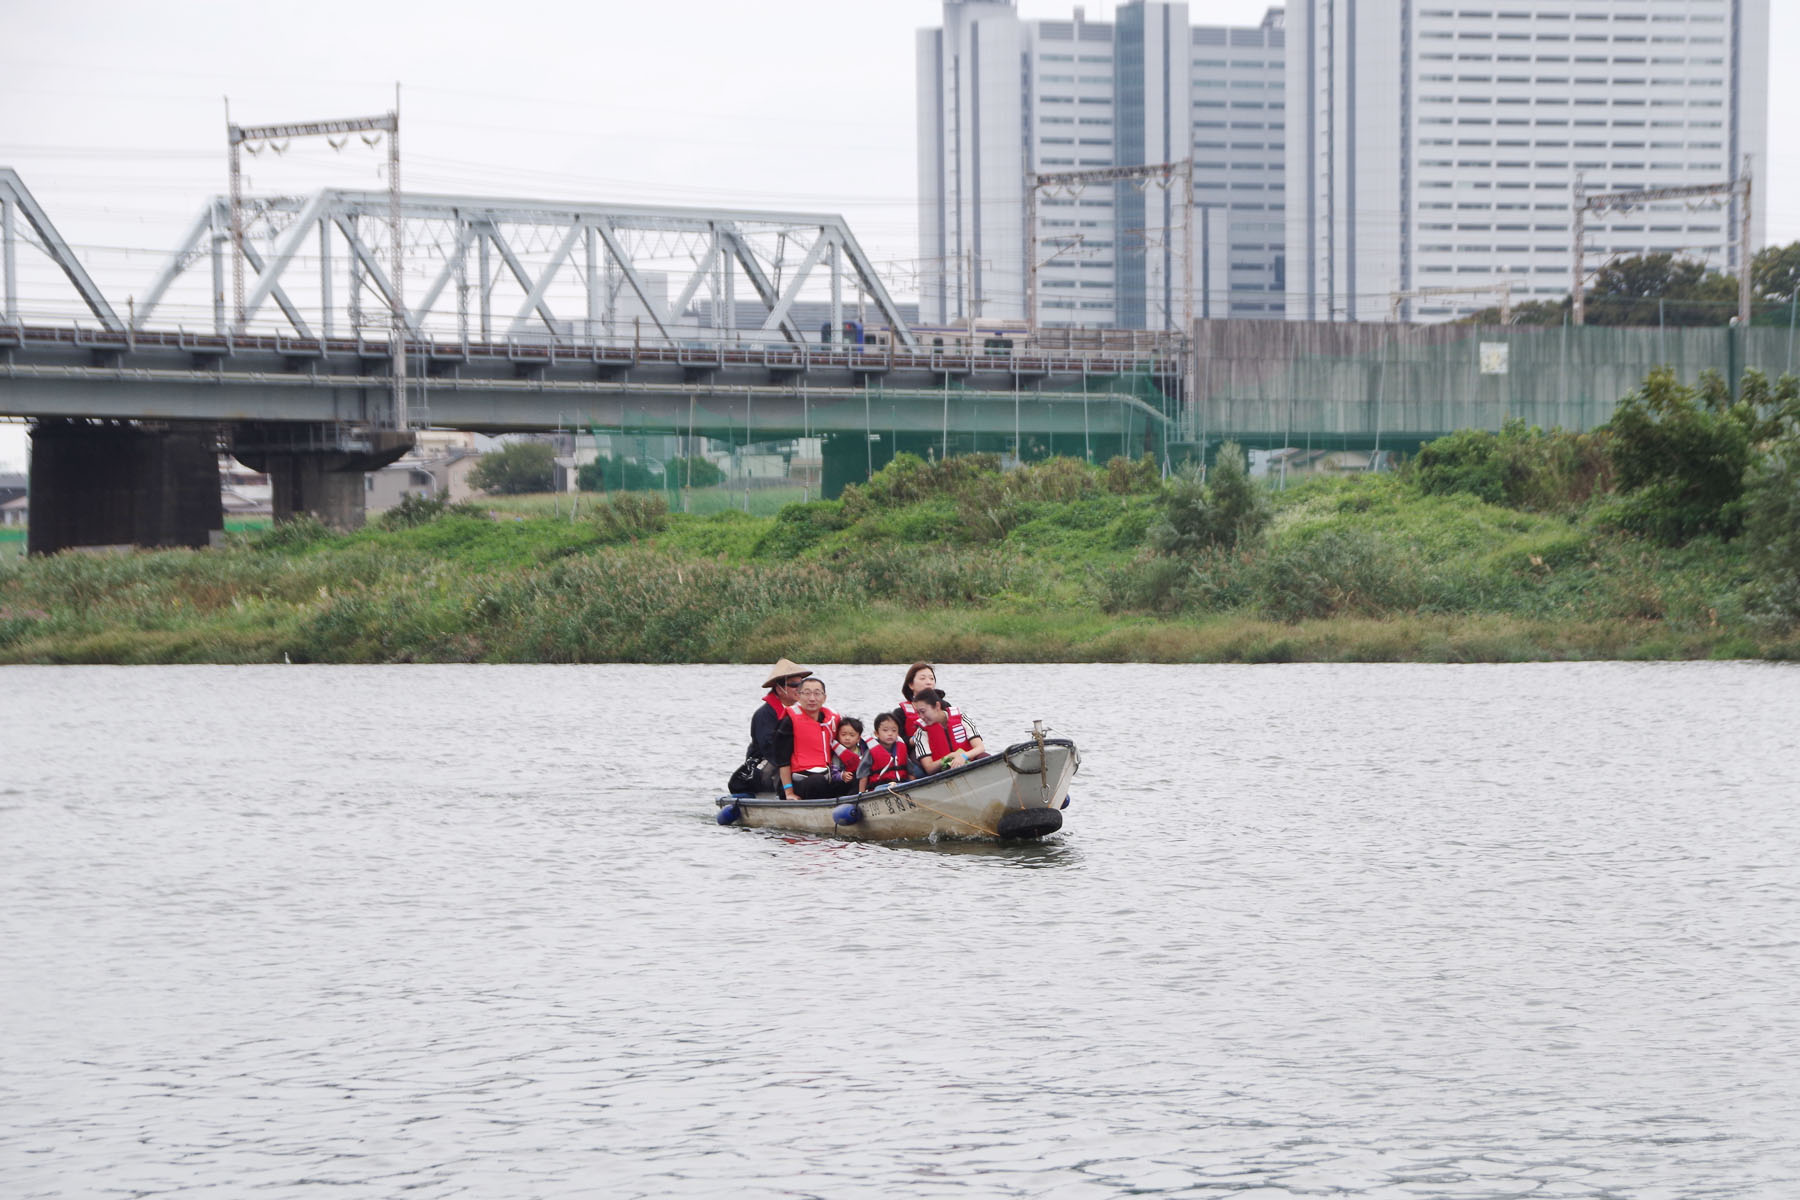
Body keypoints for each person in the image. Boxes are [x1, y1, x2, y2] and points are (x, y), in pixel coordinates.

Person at [736, 657, 810, 794]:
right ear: (779, 688)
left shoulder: (803, 711)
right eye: (794, 685)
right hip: (766, 764)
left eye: (801, 684)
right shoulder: (764, 714)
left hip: (794, 760)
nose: (800, 689)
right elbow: (770, 750)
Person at [773, 677, 855, 800]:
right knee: (817, 782)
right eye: (806, 693)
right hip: (798, 783)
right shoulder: (789, 722)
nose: (812, 698)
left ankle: (852, 807)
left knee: (856, 777)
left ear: (824, 697)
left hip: (828, 777)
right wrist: (789, 793)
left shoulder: (833, 720)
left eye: (817, 693)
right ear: (798, 696)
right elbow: (783, 761)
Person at [909, 687, 987, 774]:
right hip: (943, 771)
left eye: (923, 711)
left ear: (937, 706)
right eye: (918, 713)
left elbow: (980, 747)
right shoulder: (922, 732)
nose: (921, 717)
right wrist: (949, 757)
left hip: (969, 762)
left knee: (984, 757)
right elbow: (929, 768)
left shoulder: (962, 718)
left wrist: (963, 757)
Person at [857, 710, 921, 792]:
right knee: (879, 789)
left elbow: (910, 771)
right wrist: (861, 794)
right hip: (879, 787)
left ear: (898, 734)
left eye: (894, 730)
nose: (890, 734)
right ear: (876, 733)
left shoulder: (901, 748)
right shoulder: (871, 752)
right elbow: (863, 775)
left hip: (900, 784)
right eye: (885, 730)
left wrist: (914, 788)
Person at [897, 661, 939, 738]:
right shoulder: (900, 713)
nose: (929, 682)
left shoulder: (945, 706)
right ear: (911, 685)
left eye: (931, 678)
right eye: (922, 678)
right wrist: (914, 739)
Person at [831, 717, 864, 784]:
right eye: (843, 734)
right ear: (838, 736)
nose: (847, 738)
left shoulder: (863, 751)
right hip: (842, 783)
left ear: (858, 738)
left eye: (852, 735)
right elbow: (833, 772)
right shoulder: (836, 754)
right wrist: (841, 775)